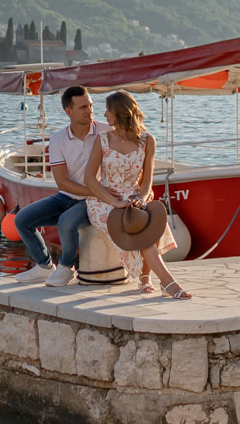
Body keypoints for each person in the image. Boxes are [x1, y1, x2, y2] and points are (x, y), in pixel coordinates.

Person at [84, 91, 189, 298]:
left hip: (134, 196)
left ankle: (150, 279)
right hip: (103, 200)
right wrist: (115, 202)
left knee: (146, 219)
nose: (104, 115)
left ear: (120, 113)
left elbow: (147, 181)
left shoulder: (148, 140)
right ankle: (166, 282)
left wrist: (140, 198)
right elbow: (89, 179)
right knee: (135, 224)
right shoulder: (102, 140)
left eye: (108, 110)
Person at [12, 85, 105, 286]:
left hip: (94, 200)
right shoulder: (58, 140)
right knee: (22, 219)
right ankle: (44, 266)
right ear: (68, 111)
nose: (90, 110)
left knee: (66, 222)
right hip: (67, 196)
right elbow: (62, 182)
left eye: (90, 105)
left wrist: (101, 194)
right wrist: (96, 190)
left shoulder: (106, 132)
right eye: (83, 107)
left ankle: (66, 268)